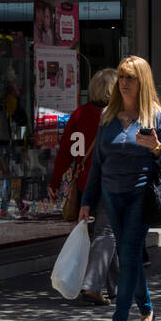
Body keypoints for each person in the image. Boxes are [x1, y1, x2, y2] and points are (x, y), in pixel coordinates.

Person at [78, 56, 161, 321]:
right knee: (128, 254)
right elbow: (97, 163)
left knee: (130, 253)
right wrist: (87, 201)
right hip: (110, 195)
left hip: (139, 195)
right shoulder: (108, 116)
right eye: (121, 77)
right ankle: (147, 310)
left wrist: (157, 148)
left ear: (142, 82)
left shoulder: (157, 118)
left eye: (130, 78)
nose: (123, 83)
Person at [50, 68, 118, 306]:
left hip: (83, 184)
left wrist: (55, 180)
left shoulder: (79, 114)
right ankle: (94, 285)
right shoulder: (116, 116)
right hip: (108, 183)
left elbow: (65, 152)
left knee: (103, 236)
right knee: (106, 234)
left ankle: (114, 286)